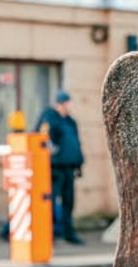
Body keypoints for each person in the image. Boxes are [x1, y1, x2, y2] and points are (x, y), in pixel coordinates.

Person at [35, 91, 85, 245]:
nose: (67, 106)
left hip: (69, 167)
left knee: (68, 202)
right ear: (58, 104)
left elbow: (75, 143)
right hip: (54, 168)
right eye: (65, 103)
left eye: (68, 103)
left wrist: (78, 162)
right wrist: (52, 153)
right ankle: (48, 234)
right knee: (49, 203)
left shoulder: (70, 121)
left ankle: (69, 233)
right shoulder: (49, 118)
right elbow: (43, 138)